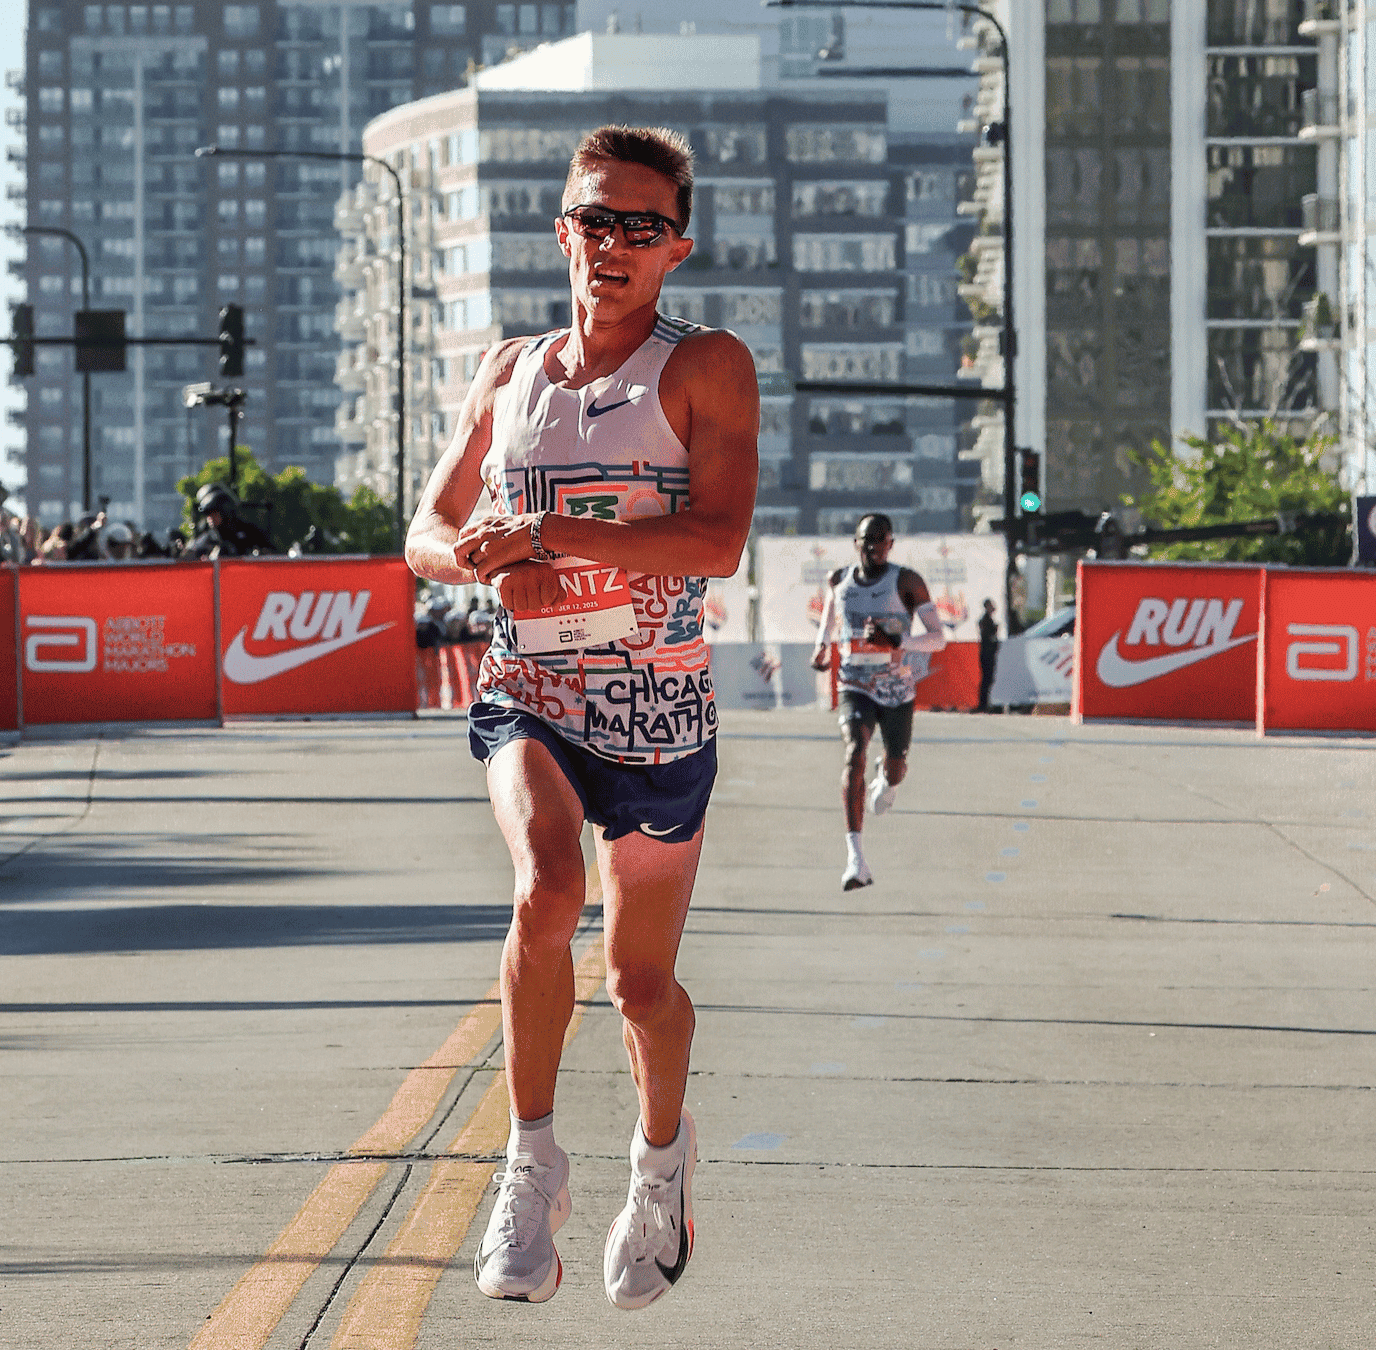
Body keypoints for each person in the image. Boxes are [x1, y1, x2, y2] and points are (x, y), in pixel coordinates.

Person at [405, 124, 756, 1310]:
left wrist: (555, 534)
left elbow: (716, 539)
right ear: (562, 231)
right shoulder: (508, 371)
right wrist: (482, 562)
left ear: (676, 249)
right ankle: (531, 1163)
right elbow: (425, 534)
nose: (612, 242)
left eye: (639, 227)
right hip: (531, 691)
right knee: (545, 888)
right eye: (594, 219)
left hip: (657, 703)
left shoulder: (705, 365)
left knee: (640, 989)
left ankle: (661, 1163)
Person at [810, 512, 957, 890]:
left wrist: (899, 642)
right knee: (853, 752)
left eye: (883, 540)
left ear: (892, 544)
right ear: (856, 543)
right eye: (868, 540)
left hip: (896, 689)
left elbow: (938, 638)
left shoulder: (906, 581)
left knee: (894, 769)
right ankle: (855, 859)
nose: (875, 547)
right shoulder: (839, 580)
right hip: (854, 684)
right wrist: (822, 648)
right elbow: (830, 618)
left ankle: (888, 779)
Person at [181, 481, 273, 559]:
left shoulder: (249, 533)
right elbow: (190, 555)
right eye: (208, 514)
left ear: (225, 512)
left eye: (214, 513)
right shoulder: (207, 538)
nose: (210, 518)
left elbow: (269, 554)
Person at [977, 598, 1002, 713]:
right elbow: (988, 636)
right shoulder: (985, 621)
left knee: (990, 679)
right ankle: (983, 704)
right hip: (986, 653)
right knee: (986, 679)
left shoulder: (989, 620)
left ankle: (987, 703)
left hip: (990, 653)